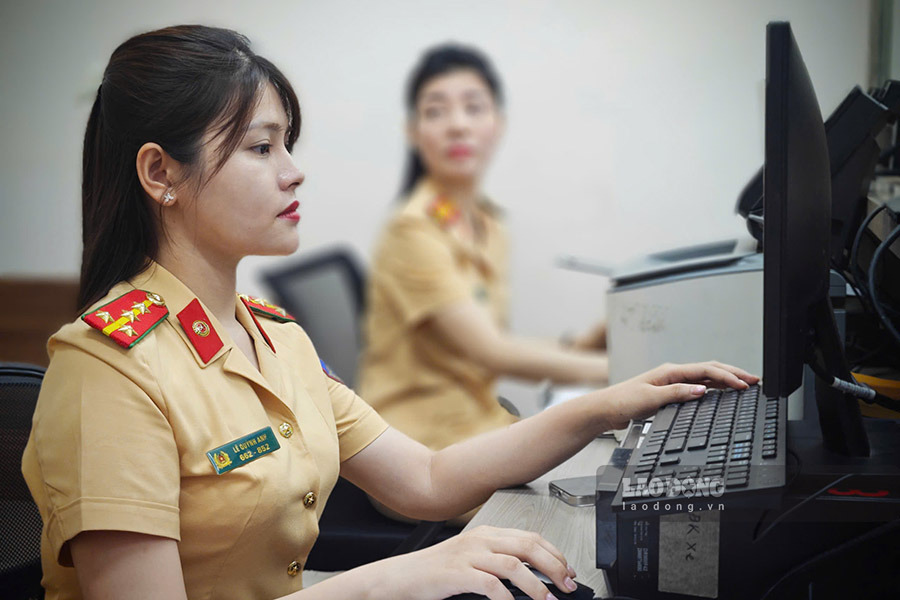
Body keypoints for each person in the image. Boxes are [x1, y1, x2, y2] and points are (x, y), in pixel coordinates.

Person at [21, 25, 757, 600]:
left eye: (288, 144)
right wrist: (387, 580)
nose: (293, 169)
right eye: (259, 147)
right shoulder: (109, 374)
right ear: (161, 173)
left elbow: (428, 479)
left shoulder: (269, 339)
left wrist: (612, 406)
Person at [358, 44, 611, 453]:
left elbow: (491, 339)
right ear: (413, 131)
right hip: (419, 446)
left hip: (478, 423)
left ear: (499, 122)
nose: (458, 125)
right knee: (582, 498)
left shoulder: (485, 222)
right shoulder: (412, 231)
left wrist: (592, 339)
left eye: (474, 108)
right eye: (436, 111)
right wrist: (630, 371)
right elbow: (494, 353)